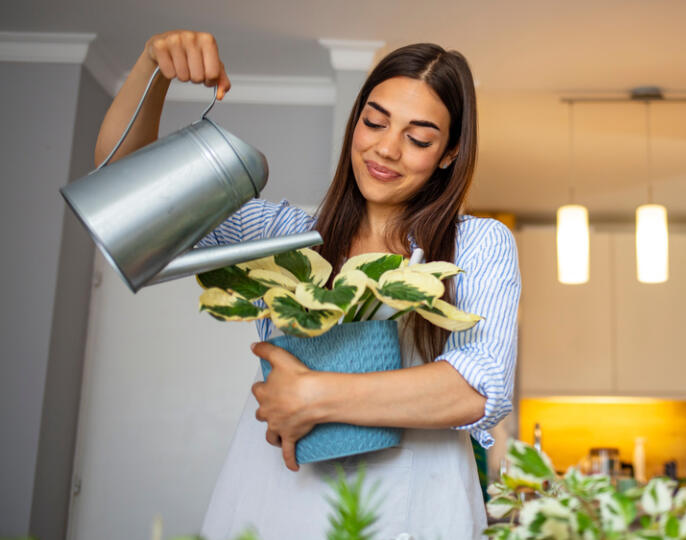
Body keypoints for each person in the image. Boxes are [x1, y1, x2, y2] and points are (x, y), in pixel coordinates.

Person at [94, 30, 521, 539]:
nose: (386, 149)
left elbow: (477, 388)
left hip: (413, 509)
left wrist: (312, 395)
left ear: (449, 153)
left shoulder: (478, 244)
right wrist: (152, 70)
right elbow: (127, 200)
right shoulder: (284, 236)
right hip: (275, 497)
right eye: (374, 122)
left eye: (419, 138)